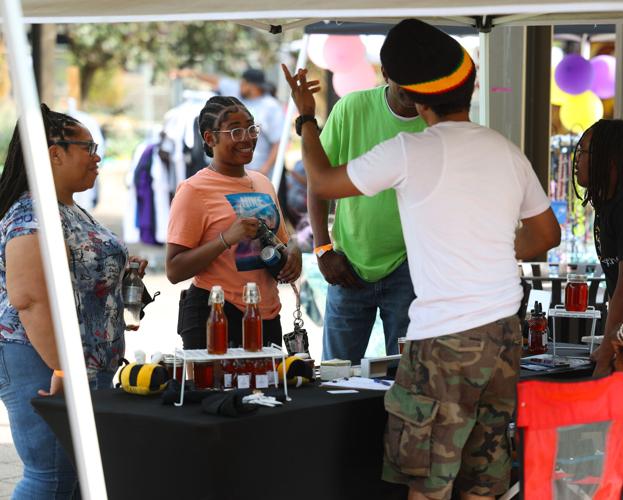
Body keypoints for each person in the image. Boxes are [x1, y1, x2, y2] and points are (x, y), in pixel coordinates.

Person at [283, 18, 560, 500]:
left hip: (444, 341)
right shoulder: (505, 149)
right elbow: (545, 235)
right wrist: (489, 251)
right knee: (484, 484)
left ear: (412, 97)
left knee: (428, 484)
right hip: (503, 335)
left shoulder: (412, 151)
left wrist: (306, 117)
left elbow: (323, 182)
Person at [0, 104, 147, 497]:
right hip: (40, 358)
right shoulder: (32, 212)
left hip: (81, 361)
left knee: (81, 477)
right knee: (52, 475)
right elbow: (29, 298)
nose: (97, 156)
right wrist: (64, 370)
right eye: (89, 147)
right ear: (54, 152)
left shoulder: (67, 208)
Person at [309, 48, 427, 365]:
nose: (412, 90)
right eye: (404, 80)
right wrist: (322, 248)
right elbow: (317, 181)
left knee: (406, 376)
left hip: (410, 268)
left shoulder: (436, 122)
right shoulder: (352, 108)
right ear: (386, 74)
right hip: (348, 262)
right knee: (336, 374)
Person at [166, 96, 301, 350]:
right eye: (235, 131)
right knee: (218, 391)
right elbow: (174, 270)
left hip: (267, 316)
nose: (247, 138)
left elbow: (281, 241)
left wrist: (293, 250)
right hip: (216, 315)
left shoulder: (262, 182)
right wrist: (226, 238)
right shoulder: (193, 190)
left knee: (267, 389)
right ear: (210, 138)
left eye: (251, 128)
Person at [573, 119, 623, 377]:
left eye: (583, 152)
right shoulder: (606, 207)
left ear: (609, 158)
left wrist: (607, 350)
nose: (577, 160)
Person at [177, 68, 284, 177]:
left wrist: (264, 169)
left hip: (256, 171)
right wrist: (191, 72)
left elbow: (278, 142)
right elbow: (216, 81)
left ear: (252, 85)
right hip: (230, 171)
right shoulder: (236, 92)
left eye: (243, 83)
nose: (240, 85)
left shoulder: (271, 107)